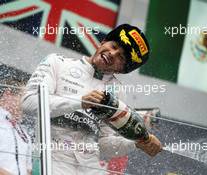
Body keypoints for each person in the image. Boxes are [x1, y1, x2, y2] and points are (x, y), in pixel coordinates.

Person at [22, 24, 162, 175]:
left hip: (90, 169)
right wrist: (79, 102)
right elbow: (28, 103)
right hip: (51, 162)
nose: (112, 53)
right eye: (113, 45)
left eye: (121, 57)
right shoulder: (57, 63)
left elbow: (103, 145)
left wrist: (136, 143)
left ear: (123, 69)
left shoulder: (117, 91)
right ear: (103, 42)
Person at [0, 65, 32, 175]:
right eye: (23, 98)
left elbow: (28, 169)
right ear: (8, 94)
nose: (26, 105)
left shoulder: (23, 132)